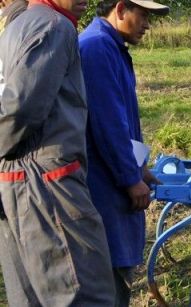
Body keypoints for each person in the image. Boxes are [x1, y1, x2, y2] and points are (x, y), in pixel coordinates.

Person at [0, 0, 116, 305]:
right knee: (83, 293)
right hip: (47, 183)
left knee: (32, 295)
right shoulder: (53, 26)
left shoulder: (15, 26)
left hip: (18, 178)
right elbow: (20, 110)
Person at [79, 0, 167, 305]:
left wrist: (139, 167)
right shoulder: (96, 49)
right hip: (103, 185)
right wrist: (131, 179)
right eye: (143, 15)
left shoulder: (109, 47)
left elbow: (124, 120)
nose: (147, 24)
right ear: (120, 9)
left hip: (112, 178)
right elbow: (108, 123)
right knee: (108, 276)